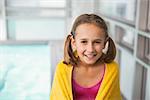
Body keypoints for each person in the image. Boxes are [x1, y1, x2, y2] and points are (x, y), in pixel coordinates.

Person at [50, 14, 122, 100]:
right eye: (84, 41)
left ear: (105, 43)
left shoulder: (113, 69)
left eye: (97, 42)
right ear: (74, 42)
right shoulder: (62, 69)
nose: (90, 49)